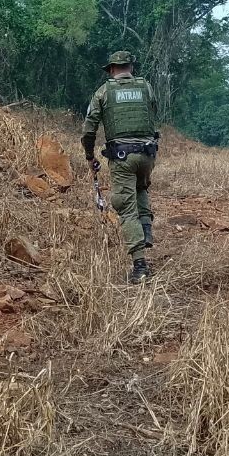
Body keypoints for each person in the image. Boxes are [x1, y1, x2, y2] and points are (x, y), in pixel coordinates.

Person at [81, 50, 160, 283]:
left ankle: (140, 265)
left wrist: (89, 156)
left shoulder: (103, 92)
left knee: (125, 206)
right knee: (141, 188)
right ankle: (145, 231)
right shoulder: (146, 87)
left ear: (112, 69)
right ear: (131, 68)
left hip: (122, 156)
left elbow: (89, 129)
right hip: (148, 154)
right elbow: (152, 112)